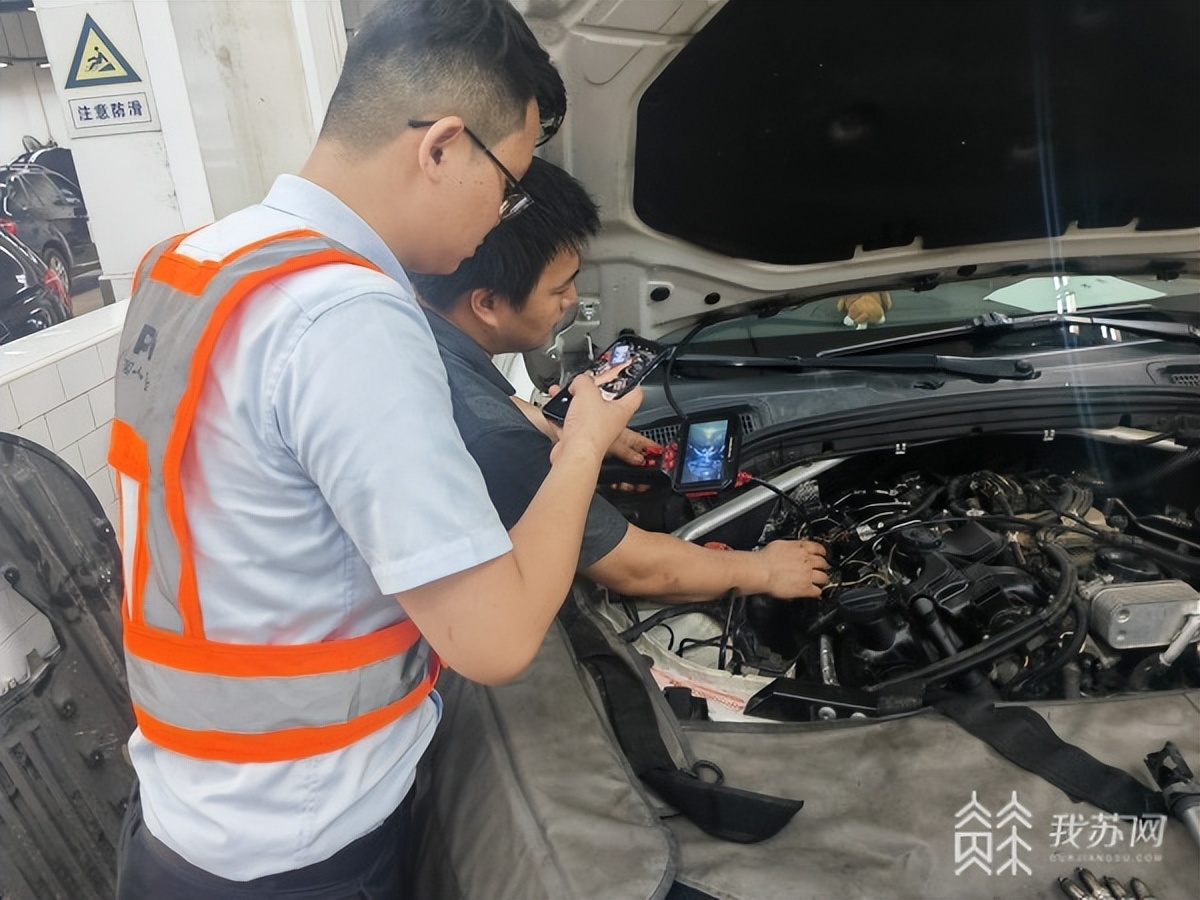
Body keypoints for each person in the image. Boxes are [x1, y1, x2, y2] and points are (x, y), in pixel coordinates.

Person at [107, 3, 640, 897]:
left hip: (187, 816)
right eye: (509, 182)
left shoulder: (189, 260)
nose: (504, 212)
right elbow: (497, 640)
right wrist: (586, 443)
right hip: (305, 849)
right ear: (440, 148)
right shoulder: (348, 317)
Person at [413, 158, 829, 603]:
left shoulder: (414, 329)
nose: (571, 300)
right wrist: (762, 569)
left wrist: (550, 423)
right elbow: (637, 570)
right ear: (488, 303)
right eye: (559, 290)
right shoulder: (499, 440)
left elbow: (486, 405)